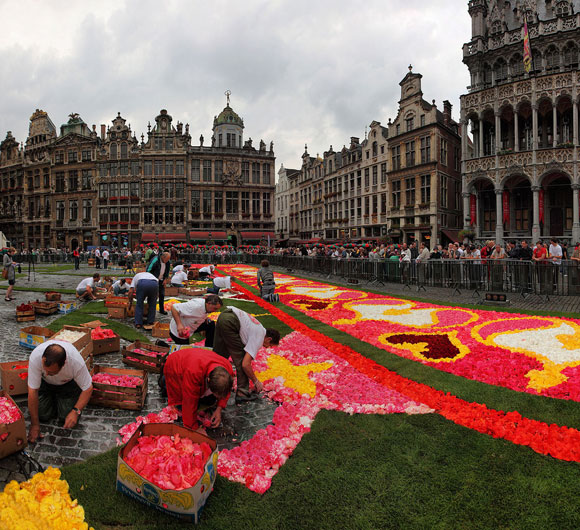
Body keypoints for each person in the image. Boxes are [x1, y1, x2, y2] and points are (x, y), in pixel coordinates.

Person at [27, 340, 93, 443]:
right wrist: (34, 424)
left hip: (67, 385)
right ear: (43, 359)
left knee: (66, 417)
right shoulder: (35, 357)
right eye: (45, 370)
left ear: (64, 364)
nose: (47, 373)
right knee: (41, 415)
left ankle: (61, 400)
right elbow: (33, 391)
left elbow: (88, 388)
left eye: (52, 372)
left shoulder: (75, 362)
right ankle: (52, 399)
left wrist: (76, 411)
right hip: (45, 384)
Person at [213, 306, 280, 403]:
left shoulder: (259, 328)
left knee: (218, 356)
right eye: (270, 345)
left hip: (223, 316)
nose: (268, 348)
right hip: (231, 321)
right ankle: (242, 393)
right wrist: (256, 381)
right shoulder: (260, 336)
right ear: (268, 339)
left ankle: (210, 384)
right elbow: (245, 364)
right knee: (241, 358)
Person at [163, 348, 233, 431]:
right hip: (175, 364)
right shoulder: (193, 372)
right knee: (180, 402)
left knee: (209, 401)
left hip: (196, 359)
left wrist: (219, 409)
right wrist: (194, 428)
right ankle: (162, 380)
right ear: (208, 380)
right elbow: (189, 401)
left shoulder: (227, 370)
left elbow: (226, 390)